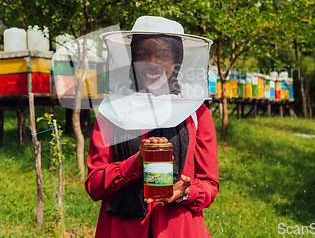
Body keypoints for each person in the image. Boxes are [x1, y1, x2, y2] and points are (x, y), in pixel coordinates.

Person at [85, 16, 219, 238]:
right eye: (143, 54)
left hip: (179, 229)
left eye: (164, 54)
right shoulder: (112, 111)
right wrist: (135, 163)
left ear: (178, 60)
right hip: (120, 230)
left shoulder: (197, 112)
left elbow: (210, 185)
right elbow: (94, 185)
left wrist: (185, 193)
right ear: (132, 60)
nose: (153, 62)